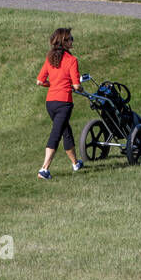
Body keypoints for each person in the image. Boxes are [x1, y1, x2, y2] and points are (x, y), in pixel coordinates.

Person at [36, 27, 83, 179]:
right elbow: (76, 85)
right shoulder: (72, 60)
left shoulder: (50, 58)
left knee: (65, 130)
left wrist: (54, 85)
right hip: (64, 103)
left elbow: (40, 81)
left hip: (50, 103)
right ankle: (44, 169)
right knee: (56, 134)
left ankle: (76, 163)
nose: (72, 41)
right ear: (64, 42)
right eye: (70, 39)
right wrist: (80, 87)